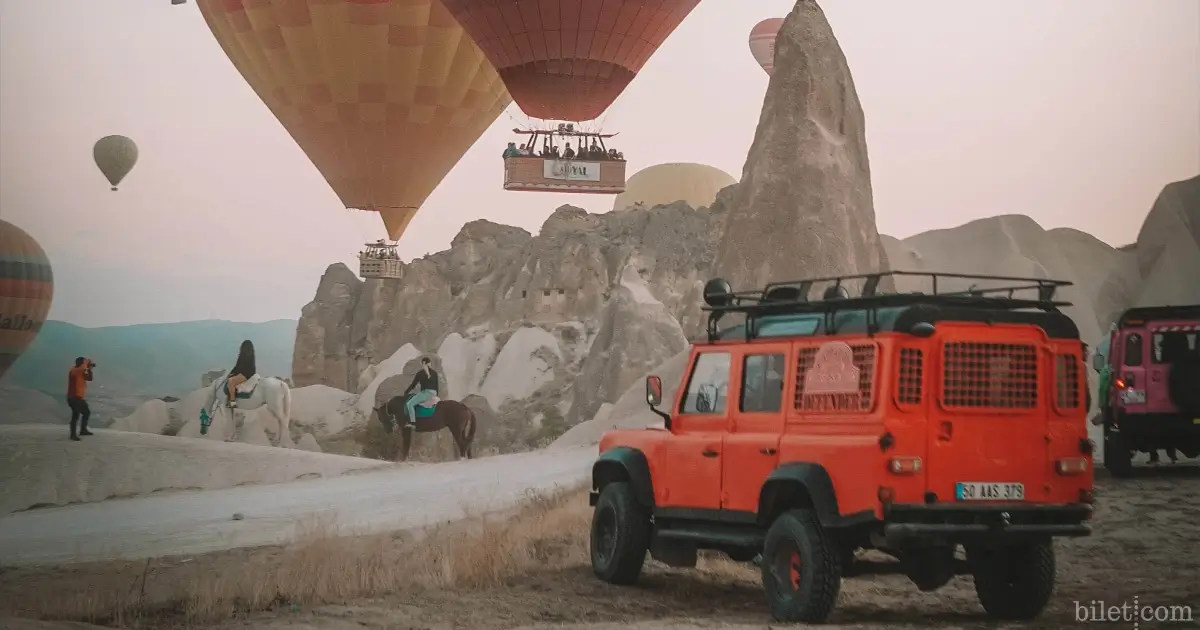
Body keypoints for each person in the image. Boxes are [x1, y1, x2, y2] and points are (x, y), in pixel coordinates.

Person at [402, 357, 440, 428]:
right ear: (430, 363)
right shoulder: (435, 373)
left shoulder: (420, 373)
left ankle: (412, 423)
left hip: (426, 393)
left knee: (409, 404)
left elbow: (413, 385)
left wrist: (406, 392)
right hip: (434, 393)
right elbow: (437, 386)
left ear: (423, 363)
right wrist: (436, 396)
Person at [67, 357, 94, 441]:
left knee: (86, 412)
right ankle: (73, 435)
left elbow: (89, 378)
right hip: (74, 397)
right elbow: (83, 369)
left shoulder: (79, 370)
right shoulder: (75, 370)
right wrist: (87, 363)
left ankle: (83, 430)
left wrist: (89, 369)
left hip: (78, 397)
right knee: (76, 415)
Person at [226, 340, 257, 408]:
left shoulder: (244, 356)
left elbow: (240, 367)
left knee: (231, 382)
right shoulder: (250, 355)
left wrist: (233, 374)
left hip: (246, 373)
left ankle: (232, 402)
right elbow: (237, 366)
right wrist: (232, 373)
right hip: (247, 372)